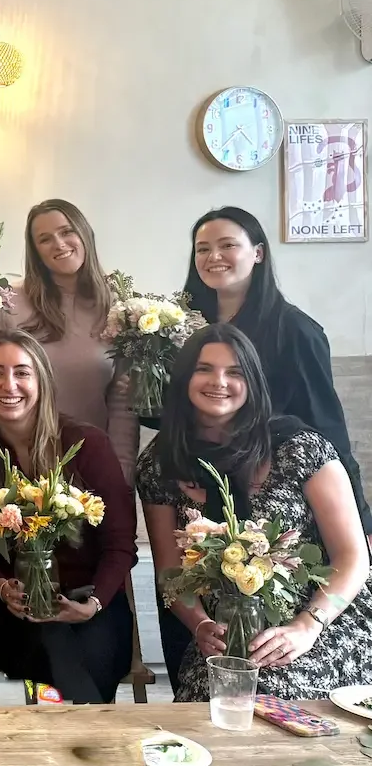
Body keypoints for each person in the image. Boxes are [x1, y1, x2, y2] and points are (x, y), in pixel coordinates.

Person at [157, 206, 372, 684]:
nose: (214, 256)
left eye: (227, 245)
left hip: (284, 505)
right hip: (205, 498)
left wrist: (359, 526)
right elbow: (175, 410)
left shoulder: (295, 331)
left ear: (257, 253)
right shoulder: (181, 325)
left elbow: (328, 437)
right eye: (202, 248)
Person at [139, 324, 372, 701]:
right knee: (207, 698)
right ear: (184, 378)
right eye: (204, 369)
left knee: (278, 691)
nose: (219, 381)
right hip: (227, 630)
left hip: (324, 619)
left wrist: (306, 627)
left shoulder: (301, 448)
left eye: (235, 372)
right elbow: (170, 573)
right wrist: (199, 625)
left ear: (253, 383)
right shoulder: (160, 464)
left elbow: (354, 557)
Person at [0, 330, 138, 704]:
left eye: (22, 372)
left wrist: (94, 604)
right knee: (45, 636)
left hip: (91, 598)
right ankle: (95, 732)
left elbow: (119, 543)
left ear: (41, 382)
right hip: (16, 610)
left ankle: (70, 737)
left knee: (91, 650)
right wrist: (4, 587)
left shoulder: (86, 445)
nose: (9, 385)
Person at [0, 200, 137, 481]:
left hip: (88, 461)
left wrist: (121, 473)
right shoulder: (6, 303)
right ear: (35, 251)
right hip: (15, 464)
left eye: (66, 232)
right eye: (45, 239)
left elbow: (123, 403)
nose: (59, 244)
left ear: (84, 234)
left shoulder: (119, 308)